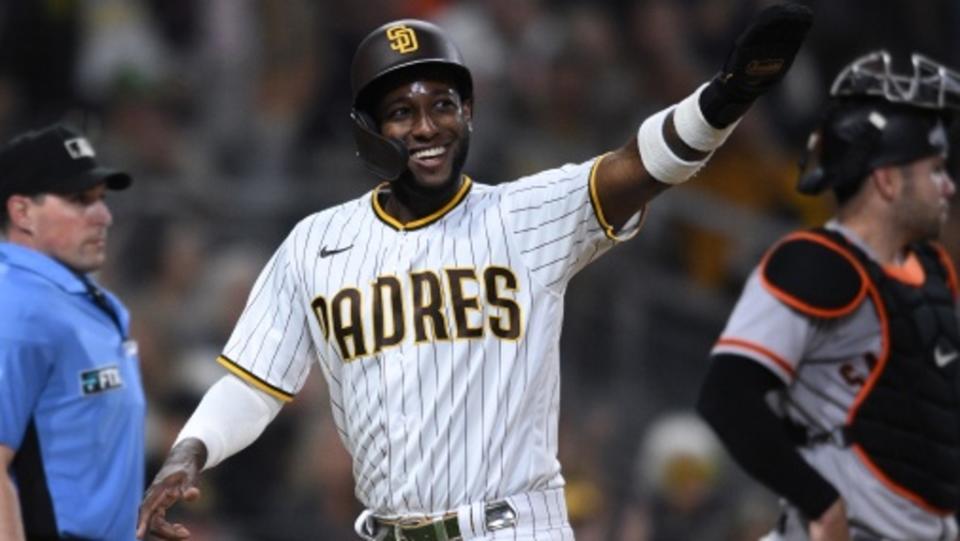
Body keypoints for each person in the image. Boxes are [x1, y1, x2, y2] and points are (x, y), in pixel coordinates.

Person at [138, 5, 812, 540]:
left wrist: (723, 100)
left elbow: (638, 166)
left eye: (443, 104)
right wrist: (189, 451)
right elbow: (255, 385)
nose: (427, 125)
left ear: (468, 114)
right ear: (367, 130)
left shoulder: (524, 213)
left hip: (513, 527)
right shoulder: (315, 243)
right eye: (401, 112)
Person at [697, 50, 960, 541]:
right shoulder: (817, 262)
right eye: (934, 170)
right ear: (886, 177)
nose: (947, 186)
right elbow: (726, 395)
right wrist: (820, 502)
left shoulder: (932, 268)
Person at [0, 124, 142, 540]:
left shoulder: (81, 299)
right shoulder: (16, 307)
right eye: (80, 200)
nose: (104, 216)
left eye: (101, 200)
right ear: (22, 212)